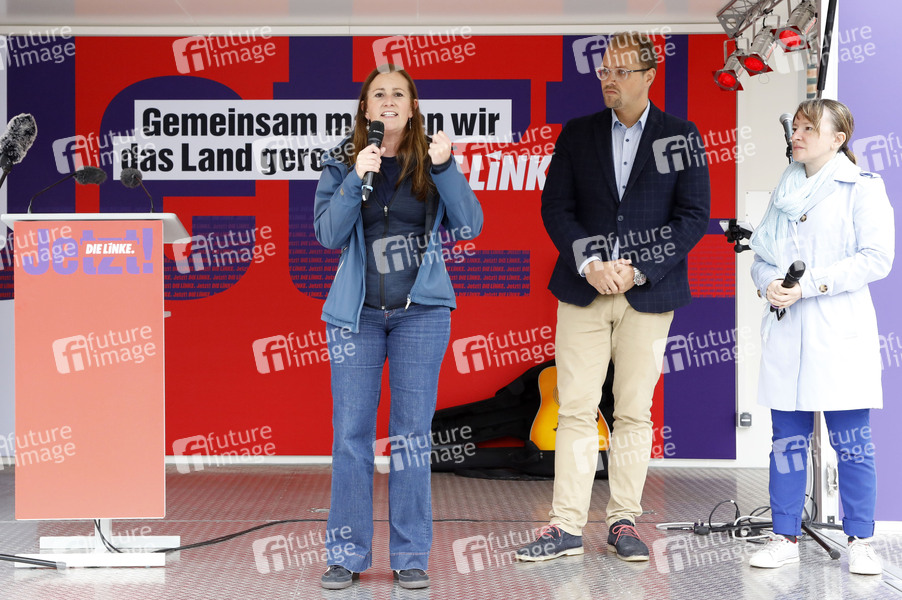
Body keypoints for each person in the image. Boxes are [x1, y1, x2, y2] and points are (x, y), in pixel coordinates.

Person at [516, 32, 710, 562]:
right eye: (604, 70)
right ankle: (565, 526)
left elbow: (693, 216)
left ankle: (624, 521)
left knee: (633, 412)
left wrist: (639, 268)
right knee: (576, 408)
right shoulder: (577, 133)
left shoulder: (680, 134)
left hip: (650, 292)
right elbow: (556, 207)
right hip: (583, 289)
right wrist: (591, 262)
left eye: (621, 71)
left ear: (649, 76)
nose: (609, 79)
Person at [313, 65, 483, 590]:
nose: (388, 101)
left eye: (398, 94)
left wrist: (447, 168)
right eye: (378, 94)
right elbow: (327, 235)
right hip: (356, 317)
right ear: (365, 108)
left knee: (411, 438)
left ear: (412, 108)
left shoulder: (433, 159)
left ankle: (411, 555)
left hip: (421, 315)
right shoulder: (341, 160)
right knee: (351, 437)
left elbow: (470, 225)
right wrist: (352, 178)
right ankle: (346, 554)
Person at [748, 99, 892, 575]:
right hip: (788, 332)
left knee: (852, 444)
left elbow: (876, 258)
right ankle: (784, 536)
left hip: (838, 333)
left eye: (809, 128)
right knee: (786, 444)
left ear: (837, 138)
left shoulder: (862, 187)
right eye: (797, 127)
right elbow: (762, 256)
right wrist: (768, 282)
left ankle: (862, 540)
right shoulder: (785, 190)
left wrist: (808, 285)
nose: (797, 134)